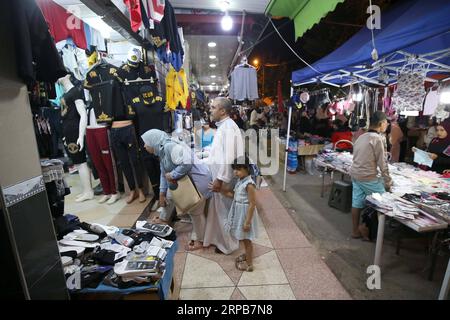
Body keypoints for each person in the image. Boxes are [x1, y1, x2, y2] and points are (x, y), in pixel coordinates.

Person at [141, 129, 212, 251]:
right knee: (168, 196)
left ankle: (201, 240)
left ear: (153, 142)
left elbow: (187, 163)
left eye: (146, 143)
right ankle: (164, 219)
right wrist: (161, 194)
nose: (144, 146)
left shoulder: (169, 147)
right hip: (188, 182)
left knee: (196, 212)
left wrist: (173, 175)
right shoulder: (161, 151)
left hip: (197, 182)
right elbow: (164, 173)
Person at [204, 97, 244, 254]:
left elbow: (228, 158)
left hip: (224, 178)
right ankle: (221, 240)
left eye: (213, 107)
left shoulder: (227, 128)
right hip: (222, 176)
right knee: (221, 211)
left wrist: (220, 180)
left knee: (225, 212)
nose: (210, 110)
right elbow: (219, 151)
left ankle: (229, 245)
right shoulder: (224, 126)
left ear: (223, 111)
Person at [349, 111, 392, 240]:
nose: (387, 125)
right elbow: (382, 163)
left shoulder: (362, 136)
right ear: (381, 123)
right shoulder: (378, 138)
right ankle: (369, 229)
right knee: (385, 201)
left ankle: (355, 231)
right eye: (386, 122)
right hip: (367, 177)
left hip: (355, 174)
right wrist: (388, 181)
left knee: (356, 203)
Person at [221, 156, 258, 272]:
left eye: (238, 169)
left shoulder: (250, 185)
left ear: (246, 169)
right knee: (243, 238)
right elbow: (236, 195)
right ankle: (247, 256)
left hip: (245, 214)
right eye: (234, 169)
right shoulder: (240, 181)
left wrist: (247, 222)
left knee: (247, 240)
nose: (235, 172)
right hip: (239, 212)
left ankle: (249, 264)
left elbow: (252, 204)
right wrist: (223, 192)